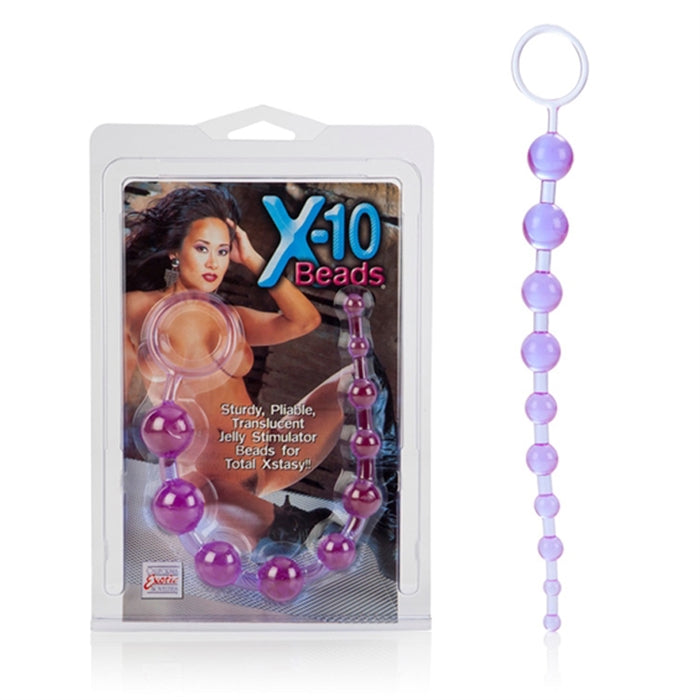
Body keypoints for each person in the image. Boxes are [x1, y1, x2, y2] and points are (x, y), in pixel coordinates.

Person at [124, 185, 348, 551]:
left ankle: (389, 506)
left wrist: (255, 259)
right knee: (296, 541)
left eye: (223, 251)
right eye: (202, 248)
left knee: (357, 382)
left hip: (269, 461)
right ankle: (274, 524)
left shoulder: (232, 317)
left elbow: (305, 321)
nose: (214, 263)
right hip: (210, 487)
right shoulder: (136, 308)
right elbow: (114, 403)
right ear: (174, 250)